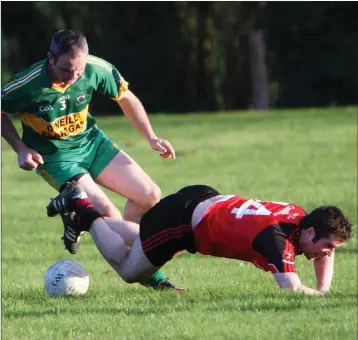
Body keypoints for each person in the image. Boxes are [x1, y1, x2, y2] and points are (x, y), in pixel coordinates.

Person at [1, 29, 180, 290]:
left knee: (149, 194)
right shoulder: (28, 84)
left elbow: (126, 97)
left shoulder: (95, 68)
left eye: (79, 71)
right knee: (107, 212)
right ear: (50, 58)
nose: (73, 78)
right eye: (66, 70)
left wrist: (151, 137)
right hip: (56, 158)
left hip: (92, 144)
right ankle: (147, 273)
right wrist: (19, 147)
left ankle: (122, 249)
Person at [47, 182, 353, 295]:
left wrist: (324, 290)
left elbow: (327, 245)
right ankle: (82, 208)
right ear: (310, 232)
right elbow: (292, 288)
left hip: (200, 202)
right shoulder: (275, 239)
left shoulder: (300, 216)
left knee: (144, 237)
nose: (326, 253)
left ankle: (83, 214)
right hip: (182, 222)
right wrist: (319, 295)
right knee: (129, 270)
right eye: (326, 246)